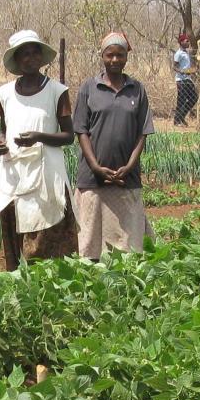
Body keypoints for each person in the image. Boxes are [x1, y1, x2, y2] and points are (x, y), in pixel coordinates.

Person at [0, 29, 77, 270]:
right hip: (15, 172)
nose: (29, 58)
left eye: (33, 52)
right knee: (16, 234)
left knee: (47, 236)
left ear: (41, 57)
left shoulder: (57, 91)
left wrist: (39, 137)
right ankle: (20, 287)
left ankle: (48, 291)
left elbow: (69, 136)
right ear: (16, 60)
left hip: (47, 173)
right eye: (23, 54)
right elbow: (4, 130)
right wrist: (0, 142)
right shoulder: (4, 94)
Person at [74, 32, 156, 261]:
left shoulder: (137, 90)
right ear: (102, 56)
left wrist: (130, 165)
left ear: (126, 57)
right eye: (110, 55)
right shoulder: (89, 88)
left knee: (127, 242)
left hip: (126, 179)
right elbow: (81, 131)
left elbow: (143, 132)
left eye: (120, 55)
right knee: (90, 240)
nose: (115, 60)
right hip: (93, 178)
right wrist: (96, 167)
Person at [172, 33, 198, 126]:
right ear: (181, 42)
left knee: (194, 98)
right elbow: (174, 67)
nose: (188, 42)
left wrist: (192, 70)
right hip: (181, 80)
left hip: (188, 79)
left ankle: (181, 116)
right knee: (181, 100)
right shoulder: (178, 54)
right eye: (186, 41)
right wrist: (182, 71)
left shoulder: (186, 53)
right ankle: (177, 121)